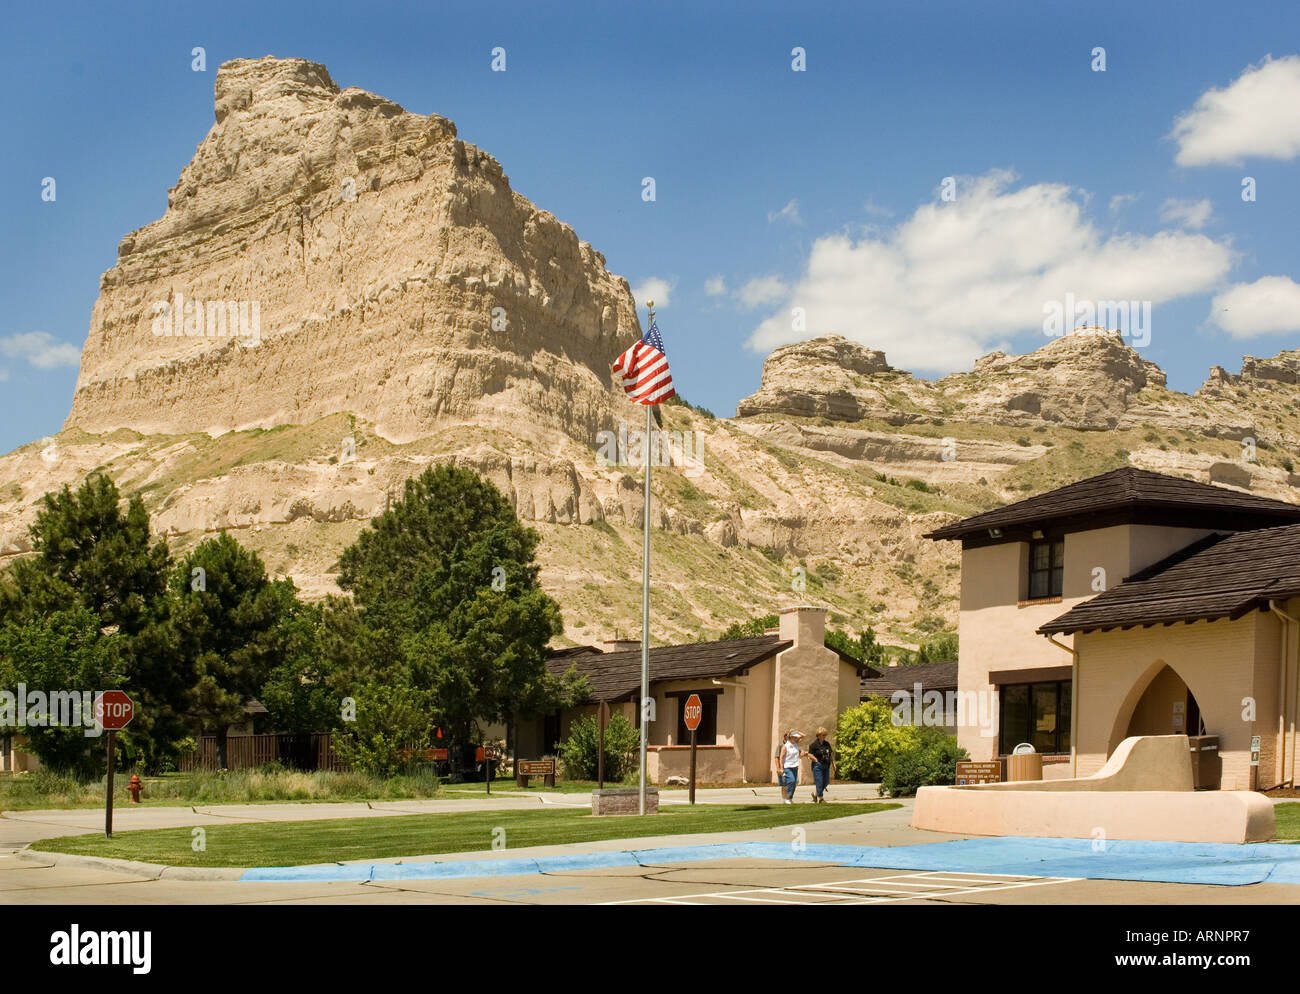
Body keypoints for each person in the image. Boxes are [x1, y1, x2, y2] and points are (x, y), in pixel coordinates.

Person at [775, 730, 804, 803]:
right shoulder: (785, 746)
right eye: (794, 737)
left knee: (794, 783)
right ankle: (787, 798)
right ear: (790, 738)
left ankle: (789, 798)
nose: (796, 739)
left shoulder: (796, 744)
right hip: (787, 767)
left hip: (795, 767)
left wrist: (796, 731)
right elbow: (781, 758)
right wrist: (781, 768)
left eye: (796, 737)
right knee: (791, 781)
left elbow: (803, 736)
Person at [808, 727, 833, 803]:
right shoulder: (813, 745)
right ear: (818, 735)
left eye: (825, 735)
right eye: (823, 735)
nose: (824, 736)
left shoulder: (827, 744)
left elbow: (830, 754)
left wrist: (833, 764)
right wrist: (815, 760)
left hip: (826, 765)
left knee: (826, 782)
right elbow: (809, 754)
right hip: (817, 766)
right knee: (819, 781)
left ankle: (815, 794)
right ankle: (821, 798)